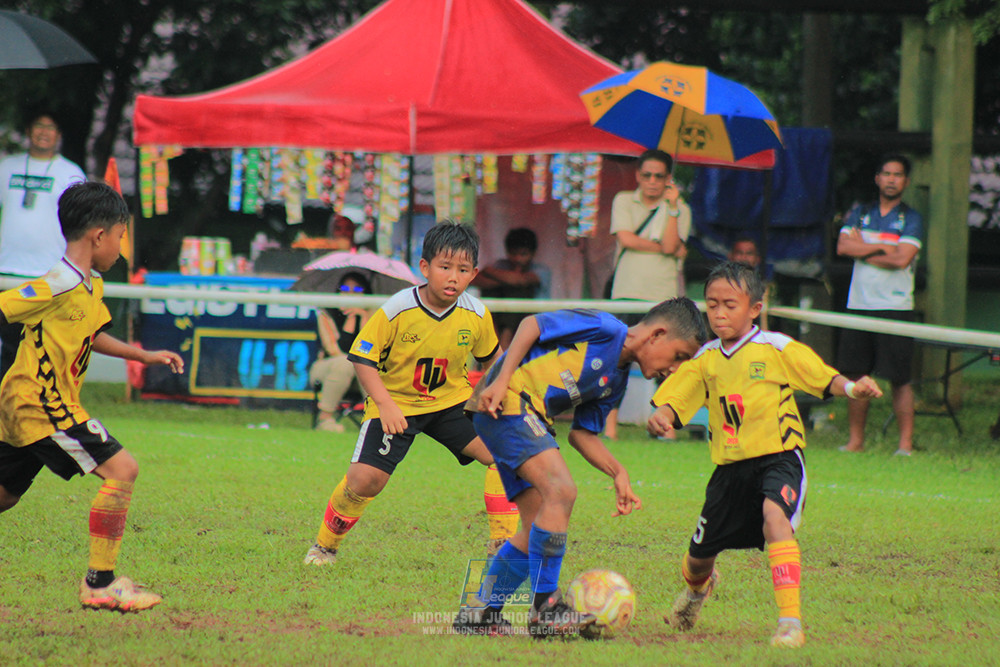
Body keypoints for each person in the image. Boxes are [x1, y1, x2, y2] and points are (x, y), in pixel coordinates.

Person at [647, 261, 883, 649]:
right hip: (729, 470)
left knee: (776, 520)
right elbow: (676, 398)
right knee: (697, 560)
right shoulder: (705, 358)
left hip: (779, 458)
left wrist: (852, 388)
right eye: (712, 305)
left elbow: (823, 376)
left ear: (755, 308)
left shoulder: (776, 348)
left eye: (730, 305)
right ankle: (697, 589)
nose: (719, 314)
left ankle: (790, 622)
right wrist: (663, 415)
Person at [452, 298, 708, 637]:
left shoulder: (616, 381)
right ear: (657, 334)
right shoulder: (604, 328)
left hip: (524, 416)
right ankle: (546, 608)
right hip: (508, 400)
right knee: (561, 491)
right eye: (679, 356)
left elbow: (582, 434)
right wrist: (501, 379)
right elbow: (532, 325)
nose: (674, 369)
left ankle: (480, 612)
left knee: (536, 525)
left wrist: (618, 472)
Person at [0, 182, 184, 612]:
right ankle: (100, 583)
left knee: (5, 494)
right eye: (121, 236)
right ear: (99, 236)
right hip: (40, 403)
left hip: (32, 404)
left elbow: (91, 334)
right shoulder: (57, 284)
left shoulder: (89, 284)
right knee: (123, 468)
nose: (121, 248)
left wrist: (142, 355)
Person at [303, 221, 518, 566]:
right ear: (425, 267)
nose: (453, 277)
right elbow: (362, 358)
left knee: (507, 452)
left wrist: (498, 390)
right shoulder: (397, 308)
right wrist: (385, 404)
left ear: (474, 274)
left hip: (452, 403)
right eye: (445, 267)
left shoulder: (476, 313)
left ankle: (503, 547)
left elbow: (494, 357)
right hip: (397, 404)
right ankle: (324, 547)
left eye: (463, 270)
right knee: (365, 479)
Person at [836, 154, 922, 456]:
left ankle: (905, 445)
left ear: (906, 182)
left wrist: (863, 249)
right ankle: (855, 442)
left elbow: (902, 259)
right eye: (886, 173)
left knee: (900, 379)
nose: (891, 179)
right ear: (877, 178)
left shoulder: (911, 218)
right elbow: (843, 246)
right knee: (856, 375)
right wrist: (884, 246)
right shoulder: (860, 213)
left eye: (897, 175)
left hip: (896, 307)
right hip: (859, 304)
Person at [604, 149, 691, 439]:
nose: (652, 181)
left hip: (663, 296)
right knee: (619, 359)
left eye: (659, 176)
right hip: (626, 291)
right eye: (647, 175)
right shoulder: (623, 200)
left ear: (668, 179)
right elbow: (626, 238)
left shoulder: (681, 208)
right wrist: (665, 248)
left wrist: (673, 208)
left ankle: (667, 428)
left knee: (668, 361)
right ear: (638, 176)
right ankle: (609, 427)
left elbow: (670, 245)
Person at [0, 111, 86, 374]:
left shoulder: (70, 173)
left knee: (42, 347)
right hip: (7, 272)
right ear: (28, 130)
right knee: (9, 346)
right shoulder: (7, 167)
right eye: (39, 125)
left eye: (51, 127)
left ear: (59, 135)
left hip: (48, 274)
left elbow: (81, 221)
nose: (44, 132)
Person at [308, 272, 372, 433]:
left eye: (357, 289)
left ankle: (376, 421)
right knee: (344, 363)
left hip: (361, 373)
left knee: (368, 365)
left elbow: (370, 350)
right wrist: (351, 319)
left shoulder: (374, 314)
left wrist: (363, 318)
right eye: (345, 288)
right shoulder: (327, 313)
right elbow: (335, 350)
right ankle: (325, 419)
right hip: (328, 368)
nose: (350, 293)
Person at [472, 227, 551, 349]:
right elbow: (475, 280)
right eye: (514, 254)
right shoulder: (501, 265)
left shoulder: (541, 270)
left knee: (519, 291)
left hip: (531, 321)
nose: (518, 259)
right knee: (493, 291)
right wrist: (507, 280)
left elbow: (521, 280)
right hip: (499, 320)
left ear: (533, 253)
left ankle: (504, 341)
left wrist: (490, 272)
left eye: (523, 254)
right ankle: (496, 339)